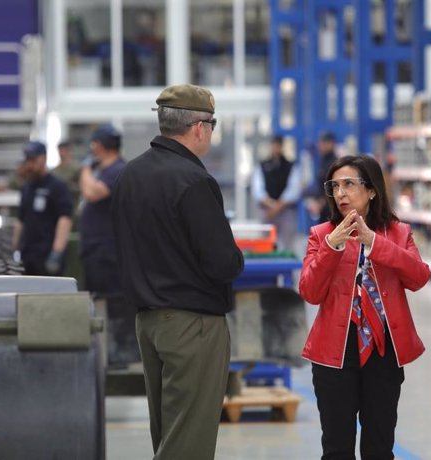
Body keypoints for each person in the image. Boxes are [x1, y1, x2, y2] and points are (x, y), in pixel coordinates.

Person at [110, 84, 244, 460]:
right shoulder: (193, 181)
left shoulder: (129, 175)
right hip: (193, 325)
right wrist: (237, 257)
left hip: (149, 324)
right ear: (199, 127)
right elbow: (222, 262)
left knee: (168, 435)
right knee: (188, 443)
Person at [298, 155, 430, 460]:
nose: (341, 193)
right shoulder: (322, 235)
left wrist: (374, 242)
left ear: (371, 191)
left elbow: (418, 277)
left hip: (384, 351)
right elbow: (310, 291)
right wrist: (332, 246)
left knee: (379, 449)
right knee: (337, 448)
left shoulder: (398, 233)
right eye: (335, 186)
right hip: (335, 354)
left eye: (349, 184)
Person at [13, 141, 73, 276]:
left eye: (34, 160)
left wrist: (57, 252)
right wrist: (15, 249)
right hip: (28, 257)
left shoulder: (57, 186)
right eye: (28, 160)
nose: (30, 165)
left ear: (43, 158)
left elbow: (65, 220)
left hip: (47, 256)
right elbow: (20, 220)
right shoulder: (27, 187)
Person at [79, 124, 126, 296]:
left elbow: (92, 193)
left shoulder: (117, 170)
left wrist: (85, 169)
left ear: (100, 145)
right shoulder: (101, 170)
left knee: (107, 299)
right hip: (94, 248)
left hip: (106, 249)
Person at [250, 135, 301, 252]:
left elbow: (293, 190)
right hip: (267, 211)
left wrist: (278, 206)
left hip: (286, 211)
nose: (276, 148)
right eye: (274, 145)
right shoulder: (262, 165)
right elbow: (257, 189)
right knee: (265, 245)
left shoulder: (290, 166)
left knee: (288, 245)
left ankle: (288, 268)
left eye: (278, 145)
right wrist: (269, 203)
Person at [305, 132, 338, 223]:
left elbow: (333, 186)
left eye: (323, 143)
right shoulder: (323, 160)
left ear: (331, 144)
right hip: (322, 209)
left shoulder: (335, 163)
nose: (320, 146)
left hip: (331, 209)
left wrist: (321, 203)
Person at [52, 139, 81, 206]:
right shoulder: (55, 170)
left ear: (69, 151)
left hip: (71, 204)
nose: (61, 153)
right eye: (60, 150)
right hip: (56, 205)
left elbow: (81, 187)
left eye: (64, 150)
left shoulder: (76, 169)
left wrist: (67, 185)